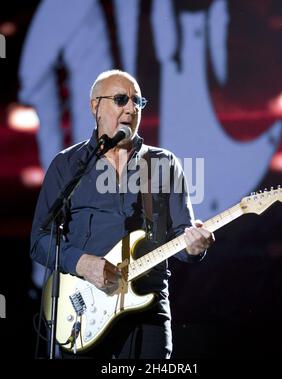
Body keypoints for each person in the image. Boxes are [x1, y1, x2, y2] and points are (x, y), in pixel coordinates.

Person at [30, 69, 215, 359]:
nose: (131, 109)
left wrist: (194, 246)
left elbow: (182, 235)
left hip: (147, 306)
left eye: (137, 102)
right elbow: (39, 240)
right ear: (95, 106)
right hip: (83, 308)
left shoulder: (163, 163)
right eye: (120, 100)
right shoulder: (68, 164)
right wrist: (81, 263)